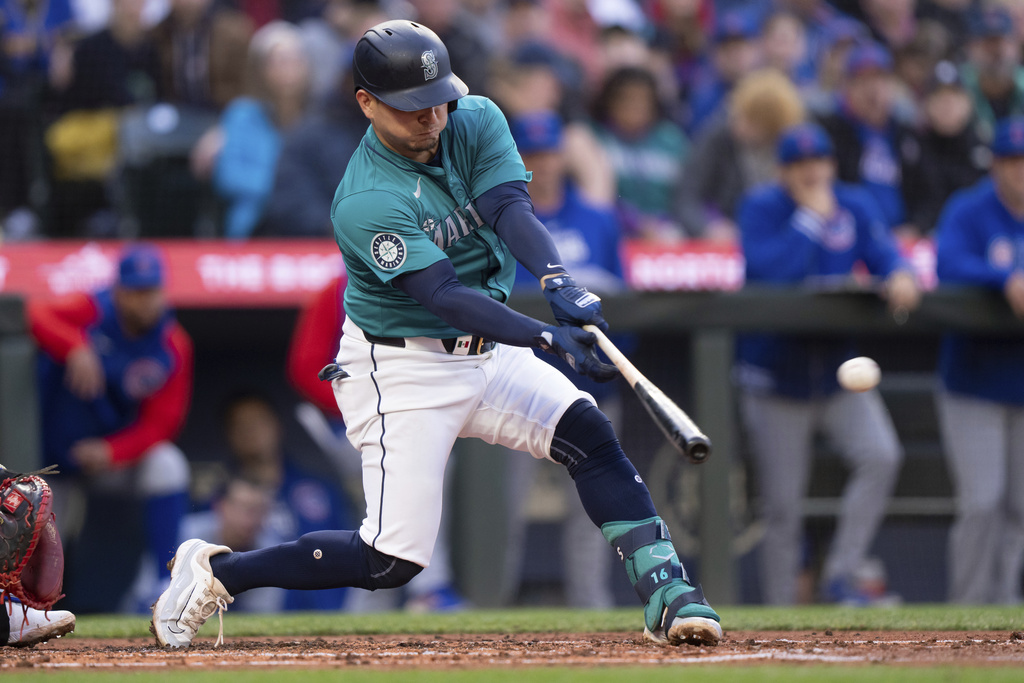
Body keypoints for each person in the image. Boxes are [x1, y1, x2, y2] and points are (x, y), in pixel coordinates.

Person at [152, 19, 722, 649]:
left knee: (587, 430)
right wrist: (544, 336)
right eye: (412, 108)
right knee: (390, 562)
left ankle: (671, 593)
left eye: (438, 99)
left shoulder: (474, 117)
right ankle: (218, 571)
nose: (432, 118)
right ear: (367, 103)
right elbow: (446, 297)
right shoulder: (364, 199)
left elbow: (509, 206)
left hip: (488, 349)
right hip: (402, 367)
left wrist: (558, 279)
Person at [735, 122, 920, 605]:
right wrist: (811, 220)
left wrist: (900, 272)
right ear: (784, 171)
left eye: (819, 162)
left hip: (838, 372)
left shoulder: (855, 203)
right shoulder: (763, 207)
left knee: (881, 455)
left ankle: (841, 573)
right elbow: (769, 274)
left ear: (832, 165)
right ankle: (779, 610)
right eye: (799, 165)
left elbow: (885, 253)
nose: (812, 172)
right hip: (775, 375)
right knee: (782, 507)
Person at [286, 275, 469, 612]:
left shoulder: (419, 284)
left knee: (425, 467)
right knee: (414, 472)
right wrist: (362, 404)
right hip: (347, 423)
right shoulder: (335, 291)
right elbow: (305, 368)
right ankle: (428, 588)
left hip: (403, 419)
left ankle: (382, 597)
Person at [27, 243, 193, 611]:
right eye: (136, 291)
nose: (145, 301)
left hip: (107, 458)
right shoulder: (91, 309)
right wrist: (74, 345)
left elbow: (163, 424)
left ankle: (165, 581)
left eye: (152, 290)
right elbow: (33, 312)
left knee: (168, 464)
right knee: (45, 539)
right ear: (118, 290)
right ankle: (29, 609)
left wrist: (113, 452)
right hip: (50, 461)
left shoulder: (172, 343)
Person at [501, 109, 623, 608]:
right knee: (503, 510)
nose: (541, 164)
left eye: (548, 153)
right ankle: (492, 606)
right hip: (518, 390)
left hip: (589, 389)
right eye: (530, 155)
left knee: (592, 512)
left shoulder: (597, 219)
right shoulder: (499, 222)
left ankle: (591, 611)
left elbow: (625, 301)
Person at [933, 116, 1024, 605]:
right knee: (982, 503)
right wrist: (1004, 276)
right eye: (1011, 161)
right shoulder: (969, 209)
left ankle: (1006, 613)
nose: (1020, 171)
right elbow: (947, 263)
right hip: (973, 382)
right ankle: (968, 609)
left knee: (1019, 511)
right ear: (995, 165)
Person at [189, 20, 311, 238]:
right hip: (255, 224)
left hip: (309, 226)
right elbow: (228, 176)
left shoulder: (319, 120)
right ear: (260, 68)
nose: (288, 70)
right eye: (279, 61)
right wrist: (286, 190)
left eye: (295, 60)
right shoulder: (241, 114)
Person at [675, 67, 806, 241]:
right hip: (727, 237)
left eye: (748, 120)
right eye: (736, 114)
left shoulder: (796, 149)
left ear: (770, 126)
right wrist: (706, 228)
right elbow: (686, 194)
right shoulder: (720, 137)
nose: (736, 124)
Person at [817, 41, 921, 232]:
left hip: (903, 237)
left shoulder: (907, 132)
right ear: (847, 86)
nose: (872, 89)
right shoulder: (828, 133)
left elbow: (926, 191)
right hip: (850, 234)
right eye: (862, 80)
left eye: (879, 79)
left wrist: (916, 225)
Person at [590, 65, 689, 242]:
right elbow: (592, 198)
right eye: (626, 98)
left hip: (668, 235)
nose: (635, 106)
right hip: (615, 234)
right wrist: (634, 224)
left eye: (643, 99)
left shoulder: (672, 140)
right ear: (609, 102)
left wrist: (665, 224)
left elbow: (690, 193)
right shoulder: (594, 140)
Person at [960, 6, 1024, 144]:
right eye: (987, 43)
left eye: (1001, 42)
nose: (996, 51)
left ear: (1016, 46)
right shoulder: (958, 86)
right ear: (970, 48)